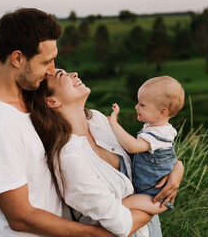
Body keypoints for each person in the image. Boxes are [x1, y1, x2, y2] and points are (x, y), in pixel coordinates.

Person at [0, 8, 116, 236]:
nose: (52, 71)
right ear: (17, 58)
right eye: (47, 61)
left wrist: (165, 162)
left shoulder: (30, 99)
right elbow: (21, 217)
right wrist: (97, 235)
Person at [23, 69, 184, 237]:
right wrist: (157, 204)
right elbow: (122, 225)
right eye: (62, 75)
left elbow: (144, 158)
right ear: (52, 101)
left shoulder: (97, 119)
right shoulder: (69, 158)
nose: (75, 74)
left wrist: (177, 168)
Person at [108, 76, 185, 215]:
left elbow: (133, 146)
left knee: (118, 207)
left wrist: (114, 124)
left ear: (162, 112)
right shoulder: (152, 127)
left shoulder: (161, 133)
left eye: (142, 105)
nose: (136, 107)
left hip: (154, 196)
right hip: (146, 189)